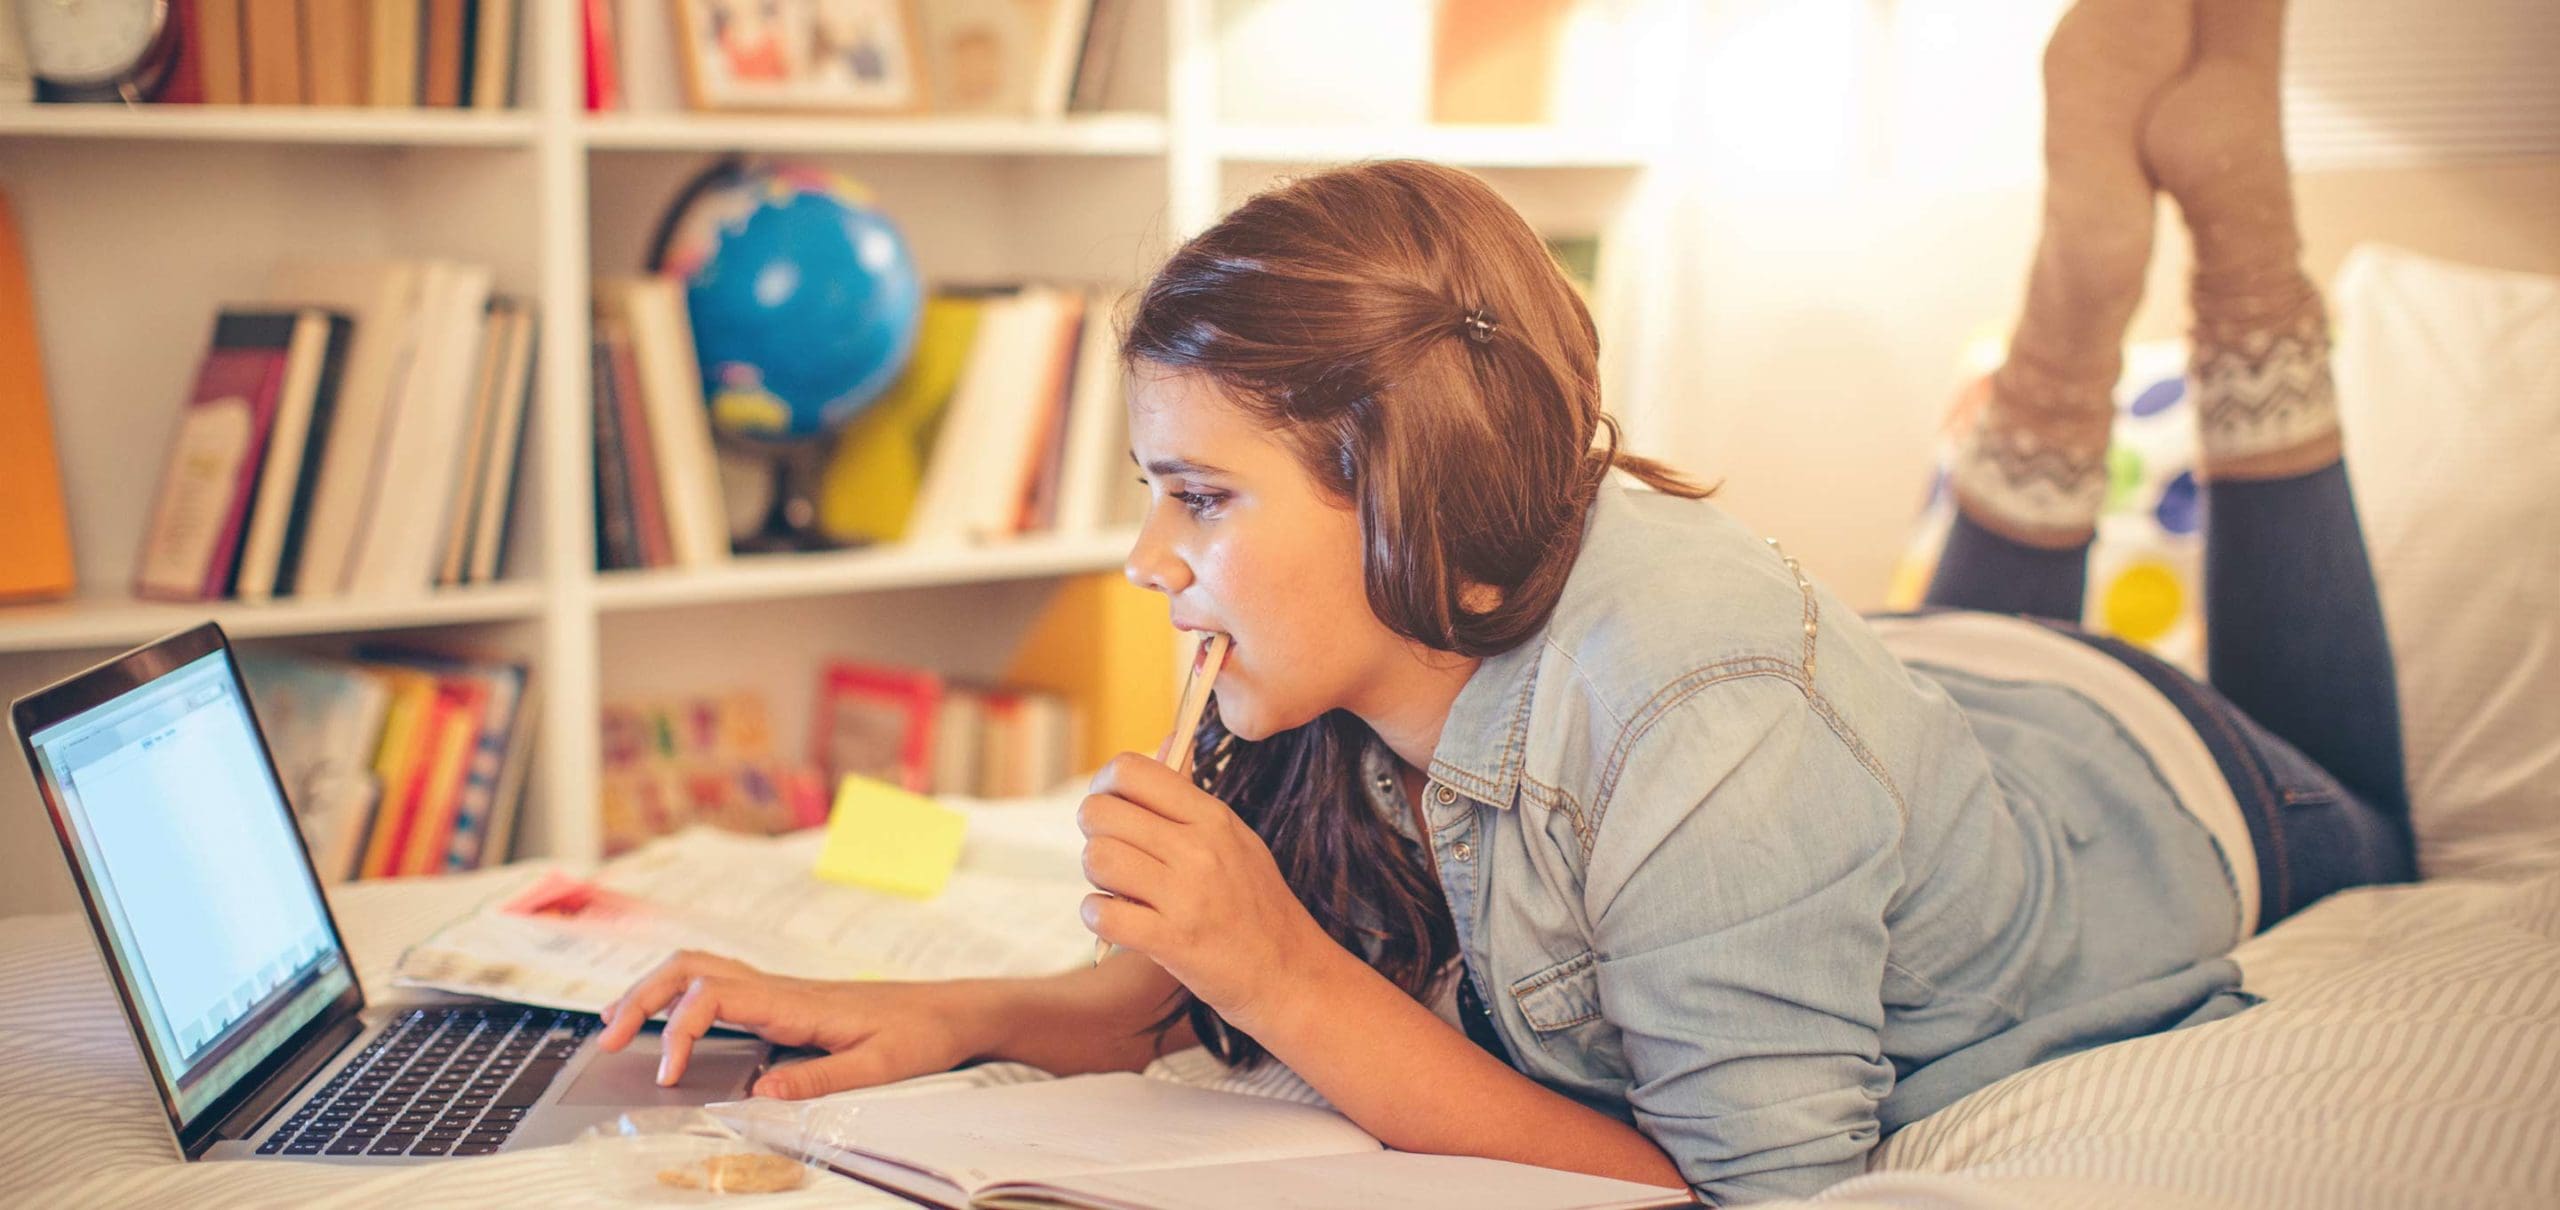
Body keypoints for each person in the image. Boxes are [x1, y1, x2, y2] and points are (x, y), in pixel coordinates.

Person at [597, 0, 2413, 1200]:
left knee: (2393, 814)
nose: (1151, 561)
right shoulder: (1358, 664)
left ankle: (2237, 251)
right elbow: (1166, 993)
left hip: (2162, 773)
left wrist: (1289, 971)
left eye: (1199, 498)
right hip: (1911, 696)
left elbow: (1733, 1182)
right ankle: (2074, 307)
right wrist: (943, 1014)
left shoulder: (1703, 728)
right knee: (1889, 685)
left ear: (1394, 487)